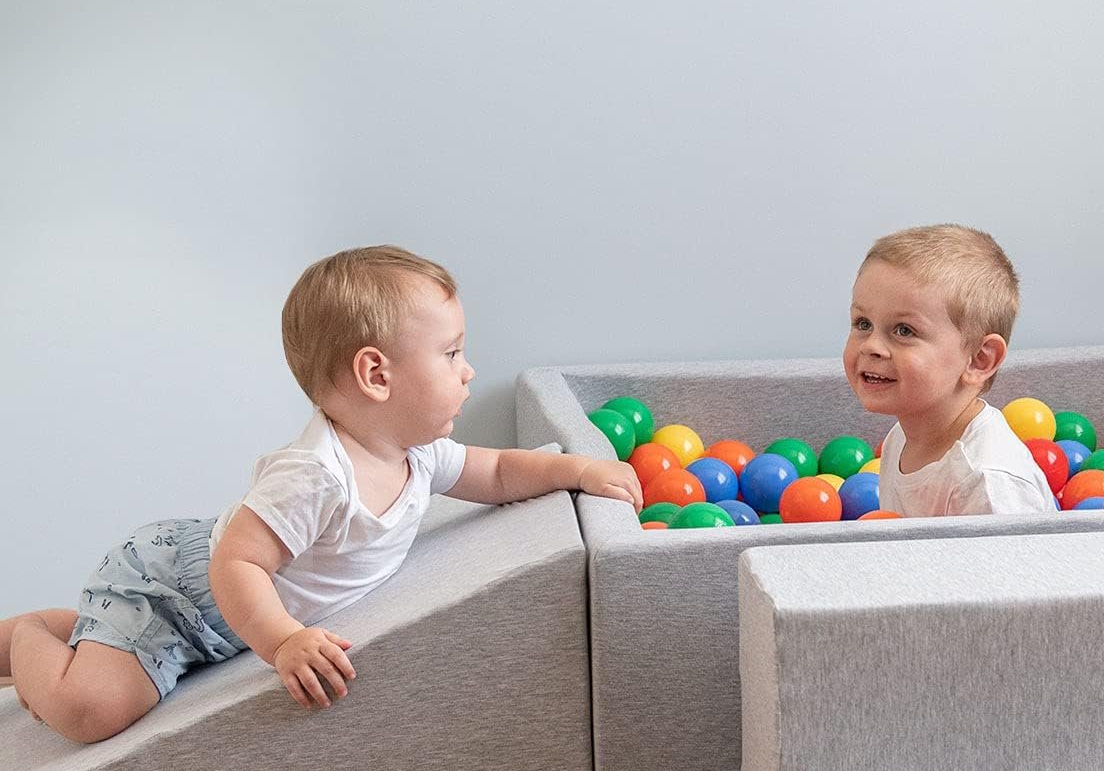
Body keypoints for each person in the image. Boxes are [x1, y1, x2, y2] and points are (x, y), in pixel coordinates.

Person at [1, 245, 641, 743]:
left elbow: (499, 472)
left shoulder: (413, 453)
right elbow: (237, 563)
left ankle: (84, 624)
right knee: (89, 711)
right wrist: (281, 642)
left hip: (225, 617)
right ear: (376, 374)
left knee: (110, 673)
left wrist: (578, 472)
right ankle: (30, 633)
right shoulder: (317, 474)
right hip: (175, 595)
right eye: (451, 354)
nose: (468, 369)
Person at [843, 223, 1056, 518]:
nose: (872, 346)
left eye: (904, 330)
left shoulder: (985, 481)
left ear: (978, 360)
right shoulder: (901, 437)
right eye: (863, 323)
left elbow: (1016, 565)